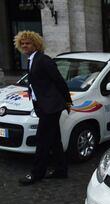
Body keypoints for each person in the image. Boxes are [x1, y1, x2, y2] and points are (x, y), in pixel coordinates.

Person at [14, 31, 72, 185]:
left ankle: (36, 173)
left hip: (51, 107)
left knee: (42, 140)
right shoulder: (31, 60)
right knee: (54, 139)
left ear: (36, 44)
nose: (25, 46)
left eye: (28, 43)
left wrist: (68, 101)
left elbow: (59, 81)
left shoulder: (43, 60)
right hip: (43, 106)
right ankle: (61, 170)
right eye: (23, 43)